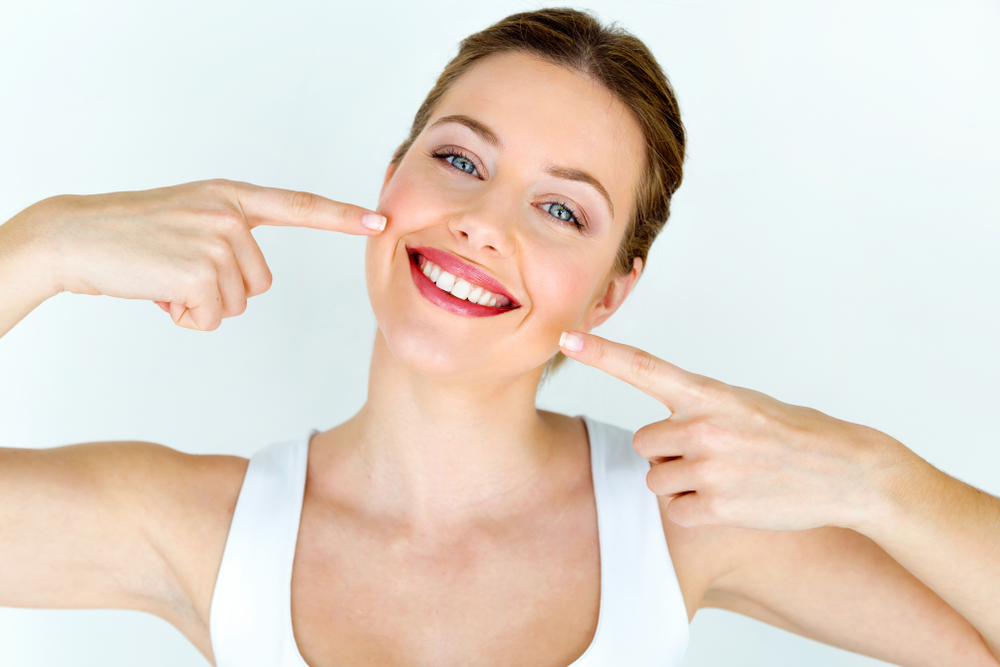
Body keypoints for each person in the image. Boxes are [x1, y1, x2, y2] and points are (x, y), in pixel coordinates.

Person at [0, 7, 998, 667]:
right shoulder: (205, 528)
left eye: (562, 211)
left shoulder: (679, 519)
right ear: (391, 178)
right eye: (459, 160)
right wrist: (37, 246)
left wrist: (879, 479)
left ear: (611, 291)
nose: (483, 222)